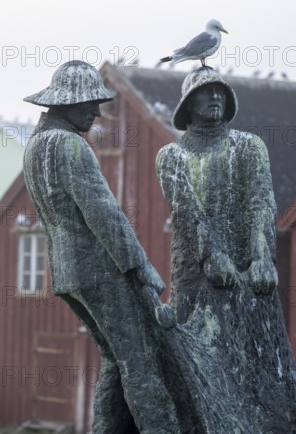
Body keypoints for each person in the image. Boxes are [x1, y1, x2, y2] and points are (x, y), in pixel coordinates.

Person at [156, 66, 296, 433]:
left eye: (221, 92)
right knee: (199, 366)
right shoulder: (171, 157)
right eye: (205, 92)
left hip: (250, 279)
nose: (215, 97)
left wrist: (263, 257)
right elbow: (186, 212)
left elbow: (260, 202)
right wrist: (212, 258)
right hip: (195, 282)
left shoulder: (248, 147)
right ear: (188, 103)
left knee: (265, 368)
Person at [23, 60, 180, 434]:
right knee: (139, 359)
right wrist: (140, 266)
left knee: (115, 356)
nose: (96, 111)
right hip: (99, 269)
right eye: (89, 103)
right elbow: (104, 214)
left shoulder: (36, 146)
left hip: (67, 273)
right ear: (66, 103)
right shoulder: (69, 146)